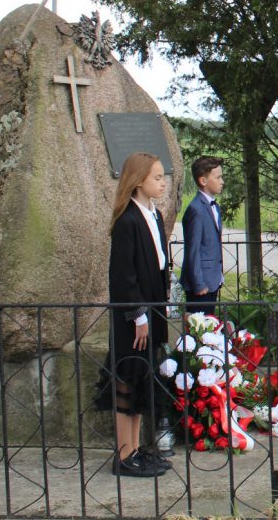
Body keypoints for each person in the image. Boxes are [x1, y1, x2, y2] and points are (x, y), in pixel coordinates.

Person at [96, 152, 172, 478]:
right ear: (138, 181)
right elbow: (123, 277)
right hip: (133, 318)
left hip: (152, 309)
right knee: (126, 378)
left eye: (162, 176)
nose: (162, 182)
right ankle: (124, 454)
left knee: (142, 379)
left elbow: (158, 264)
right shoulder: (128, 221)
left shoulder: (154, 216)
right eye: (156, 177)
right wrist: (138, 315)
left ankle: (138, 448)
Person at [181, 156, 225, 315]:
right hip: (201, 284)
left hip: (212, 279)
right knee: (199, 330)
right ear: (203, 181)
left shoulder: (214, 206)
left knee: (209, 328)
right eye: (218, 177)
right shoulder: (196, 209)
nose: (222, 181)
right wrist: (199, 284)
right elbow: (193, 250)